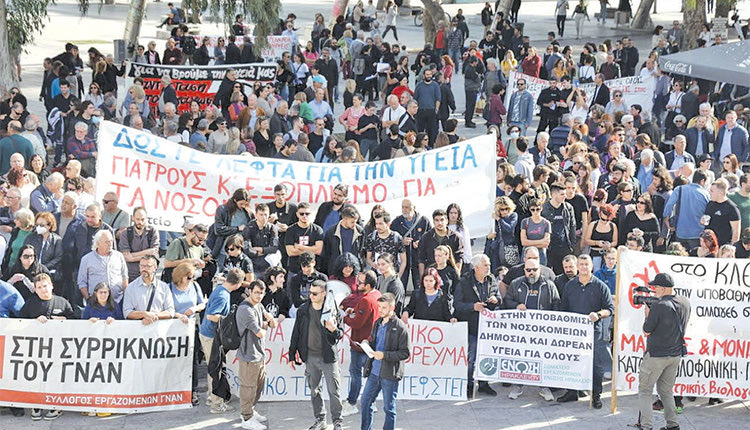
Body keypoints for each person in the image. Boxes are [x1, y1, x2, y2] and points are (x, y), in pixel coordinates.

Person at [557, 254, 613, 409]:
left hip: (594, 333)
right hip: (574, 333)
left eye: (586, 264)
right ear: (577, 267)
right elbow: (564, 309)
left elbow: (610, 309)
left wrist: (599, 315)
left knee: (596, 366)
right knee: (572, 361)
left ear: (591, 266)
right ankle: (571, 392)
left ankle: (596, 396)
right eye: (581, 264)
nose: (583, 267)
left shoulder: (600, 286)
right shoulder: (570, 286)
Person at [288, 279, 345, 430]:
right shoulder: (303, 310)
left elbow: (340, 335)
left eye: (314, 293)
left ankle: (337, 421)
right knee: (314, 390)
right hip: (310, 356)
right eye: (309, 293)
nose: (310, 296)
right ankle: (320, 419)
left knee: (334, 391)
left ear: (324, 293)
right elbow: (296, 332)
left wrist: (333, 330)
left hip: (328, 357)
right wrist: (292, 354)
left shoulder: (333, 310)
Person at [638, 273, 690, 430]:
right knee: (666, 391)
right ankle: (673, 425)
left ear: (662, 288)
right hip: (675, 355)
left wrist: (647, 315)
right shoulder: (685, 301)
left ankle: (646, 426)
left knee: (645, 391)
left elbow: (646, 331)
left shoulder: (660, 306)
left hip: (656, 356)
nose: (654, 291)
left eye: (655, 288)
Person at [504, 258, 560, 401]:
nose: (531, 273)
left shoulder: (549, 285)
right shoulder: (516, 283)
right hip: (521, 330)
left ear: (540, 269)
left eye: (534, 269)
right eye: (528, 270)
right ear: (524, 270)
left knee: (542, 358)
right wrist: (516, 306)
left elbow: (556, 304)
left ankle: (544, 387)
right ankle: (518, 386)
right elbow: (507, 301)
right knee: (521, 357)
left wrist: (552, 324)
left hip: (543, 331)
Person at [20, 273, 73, 421]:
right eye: (39, 287)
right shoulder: (30, 304)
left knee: (56, 376)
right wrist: (33, 321)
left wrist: (64, 319)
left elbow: (76, 321)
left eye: (45, 286)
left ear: (51, 285)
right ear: (35, 290)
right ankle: (36, 405)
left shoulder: (63, 303)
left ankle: (55, 405)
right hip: (37, 349)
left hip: (59, 349)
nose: (43, 289)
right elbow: (19, 322)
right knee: (37, 376)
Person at [359, 292, 410, 430]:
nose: (380, 310)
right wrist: (367, 343)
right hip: (374, 372)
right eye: (379, 307)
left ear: (392, 308)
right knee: (365, 402)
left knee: (389, 408)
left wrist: (385, 355)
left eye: (384, 307)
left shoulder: (400, 327)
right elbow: (375, 341)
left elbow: (405, 353)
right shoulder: (377, 323)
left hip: (390, 374)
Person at [199, 267, 244, 413]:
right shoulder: (223, 296)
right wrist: (229, 319)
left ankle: (211, 397)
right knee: (215, 369)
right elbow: (211, 316)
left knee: (213, 367)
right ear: (238, 283)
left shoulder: (220, 289)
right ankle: (217, 404)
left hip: (208, 334)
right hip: (211, 336)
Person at [455, 254, 500, 397]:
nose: (489, 267)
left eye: (489, 264)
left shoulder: (492, 279)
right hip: (471, 326)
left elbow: (499, 297)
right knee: (471, 358)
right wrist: (472, 307)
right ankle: (469, 384)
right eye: (486, 265)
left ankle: (484, 384)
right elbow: (457, 305)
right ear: (476, 267)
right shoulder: (464, 282)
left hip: (487, 327)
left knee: (486, 356)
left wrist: (496, 299)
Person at [236, 280, 276, 429]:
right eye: (256, 292)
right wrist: (265, 326)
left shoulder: (259, 306)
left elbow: (272, 324)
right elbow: (260, 332)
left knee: (258, 385)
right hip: (248, 355)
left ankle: (250, 411)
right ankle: (246, 418)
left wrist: (269, 321)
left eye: (261, 293)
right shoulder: (245, 309)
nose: (259, 296)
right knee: (248, 387)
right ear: (250, 291)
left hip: (259, 354)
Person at [341, 270, 382, 416]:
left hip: (360, 344)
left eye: (361, 282)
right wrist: (355, 310)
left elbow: (357, 323)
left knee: (356, 373)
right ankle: (371, 401)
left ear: (369, 285)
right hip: (372, 343)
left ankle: (352, 403)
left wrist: (344, 317)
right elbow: (364, 314)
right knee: (371, 374)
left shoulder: (366, 300)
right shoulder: (377, 295)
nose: (358, 284)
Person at [663, 171, 710, 249]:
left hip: (681, 232)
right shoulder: (706, 194)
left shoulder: (679, 189)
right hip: (698, 233)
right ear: (702, 181)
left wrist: (666, 219)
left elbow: (669, 205)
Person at [119, 207, 160, 282]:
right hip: (131, 274)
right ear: (133, 218)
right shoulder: (125, 233)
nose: (140, 222)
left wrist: (133, 257)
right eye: (137, 219)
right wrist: (147, 253)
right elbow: (126, 257)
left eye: (142, 219)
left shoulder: (153, 231)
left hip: (148, 272)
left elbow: (154, 253)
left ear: (146, 218)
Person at [704, 178, 741, 246]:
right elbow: (706, 221)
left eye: (712, 191)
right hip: (709, 245)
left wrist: (732, 248)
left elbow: (736, 232)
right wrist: (702, 221)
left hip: (723, 245)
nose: (709, 193)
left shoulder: (731, 208)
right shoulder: (710, 204)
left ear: (720, 193)